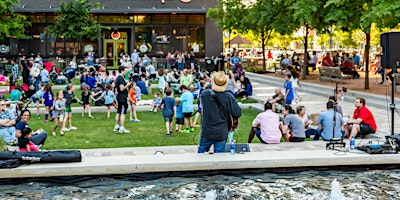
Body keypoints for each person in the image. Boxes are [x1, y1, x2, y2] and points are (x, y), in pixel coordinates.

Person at [198, 71, 242, 153]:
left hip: (207, 129)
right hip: (221, 131)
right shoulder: (228, 97)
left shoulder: (204, 94)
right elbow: (237, 113)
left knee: (201, 153)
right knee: (219, 155)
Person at [114, 66, 131, 133]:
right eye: (125, 71)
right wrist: (128, 85)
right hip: (122, 97)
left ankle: (116, 126)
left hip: (119, 97)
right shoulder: (121, 79)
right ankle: (122, 127)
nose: (125, 72)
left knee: (118, 112)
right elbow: (121, 88)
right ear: (122, 71)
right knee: (122, 113)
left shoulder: (118, 78)